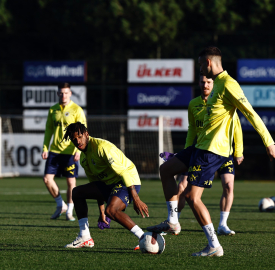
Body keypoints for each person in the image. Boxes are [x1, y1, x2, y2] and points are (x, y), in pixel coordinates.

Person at [150, 46, 275, 257]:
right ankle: (172, 221)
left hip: (212, 151)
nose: (200, 71)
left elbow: (250, 113)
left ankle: (214, 245)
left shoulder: (229, 84)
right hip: (199, 147)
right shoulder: (215, 85)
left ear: (208, 63)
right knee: (166, 170)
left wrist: (269, 142)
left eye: (200, 65)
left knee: (191, 196)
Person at [148, 75, 244, 236]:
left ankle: (222, 225)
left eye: (208, 82)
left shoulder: (224, 103)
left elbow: (237, 128)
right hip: (198, 150)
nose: (205, 85)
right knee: (181, 187)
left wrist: (238, 151)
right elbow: (192, 128)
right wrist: (185, 152)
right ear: (198, 83)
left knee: (227, 186)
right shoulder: (193, 104)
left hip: (223, 152)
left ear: (215, 84)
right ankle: (174, 220)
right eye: (202, 82)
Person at [63, 122, 149, 249]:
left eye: (80, 137)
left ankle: (145, 237)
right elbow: (97, 185)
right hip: (109, 184)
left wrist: (136, 198)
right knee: (76, 192)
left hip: (128, 181)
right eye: (74, 139)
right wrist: (101, 211)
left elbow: (124, 172)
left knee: (112, 210)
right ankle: (85, 237)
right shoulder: (84, 159)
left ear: (87, 134)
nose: (77, 141)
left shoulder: (102, 147)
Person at [42, 83, 86, 221]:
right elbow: (49, 129)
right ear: (57, 94)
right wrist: (45, 147)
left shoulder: (77, 109)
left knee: (71, 183)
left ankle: (69, 212)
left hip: (70, 151)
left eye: (66, 93)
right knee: (47, 179)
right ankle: (61, 204)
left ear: (70, 93)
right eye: (61, 93)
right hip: (55, 150)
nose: (63, 95)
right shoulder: (53, 109)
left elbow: (82, 132)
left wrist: (78, 150)